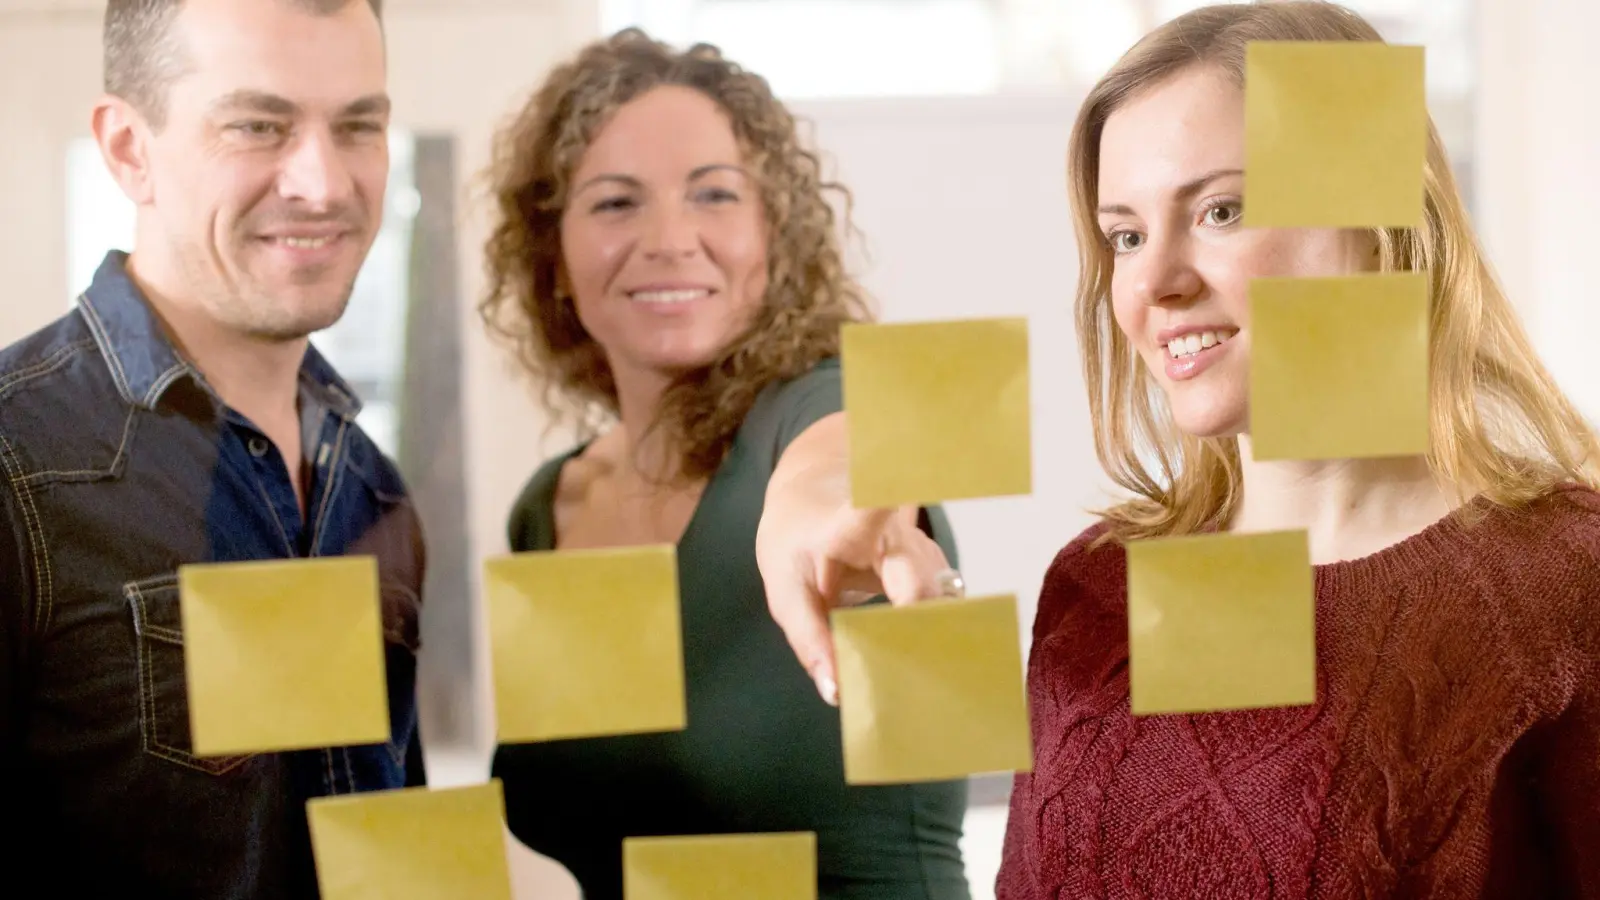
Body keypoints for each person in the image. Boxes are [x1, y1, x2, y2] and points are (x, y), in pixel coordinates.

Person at [990, 2, 1600, 898]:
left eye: (1221, 210)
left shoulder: (1568, 583)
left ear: (1373, 220)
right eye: (1125, 235)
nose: (1154, 282)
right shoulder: (1092, 587)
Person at [478, 29, 972, 900]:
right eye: (615, 203)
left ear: (773, 235)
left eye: (713, 194)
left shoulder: (822, 409)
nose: (671, 238)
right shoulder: (547, 507)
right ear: (553, 256)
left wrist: (821, 509)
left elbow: (837, 462)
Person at [0, 0, 427, 896]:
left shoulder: (372, 486)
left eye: (359, 126)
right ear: (129, 149)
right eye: (256, 126)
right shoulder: (15, 465)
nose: (323, 182)